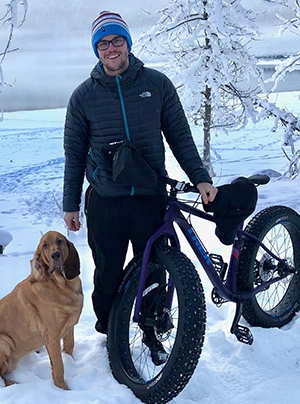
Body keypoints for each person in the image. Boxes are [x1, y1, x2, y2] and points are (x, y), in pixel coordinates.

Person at [62, 10, 218, 364]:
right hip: (105, 201)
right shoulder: (83, 97)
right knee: (108, 273)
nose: (111, 48)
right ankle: (109, 333)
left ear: (128, 44)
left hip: (150, 197)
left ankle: (150, 330)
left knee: (154, 267)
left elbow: (179, 135)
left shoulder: (156, 84)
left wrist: (200, 177)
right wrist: (71, 203)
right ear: (96, 50)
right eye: (103, 43)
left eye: (117, 40)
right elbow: (73, 153)